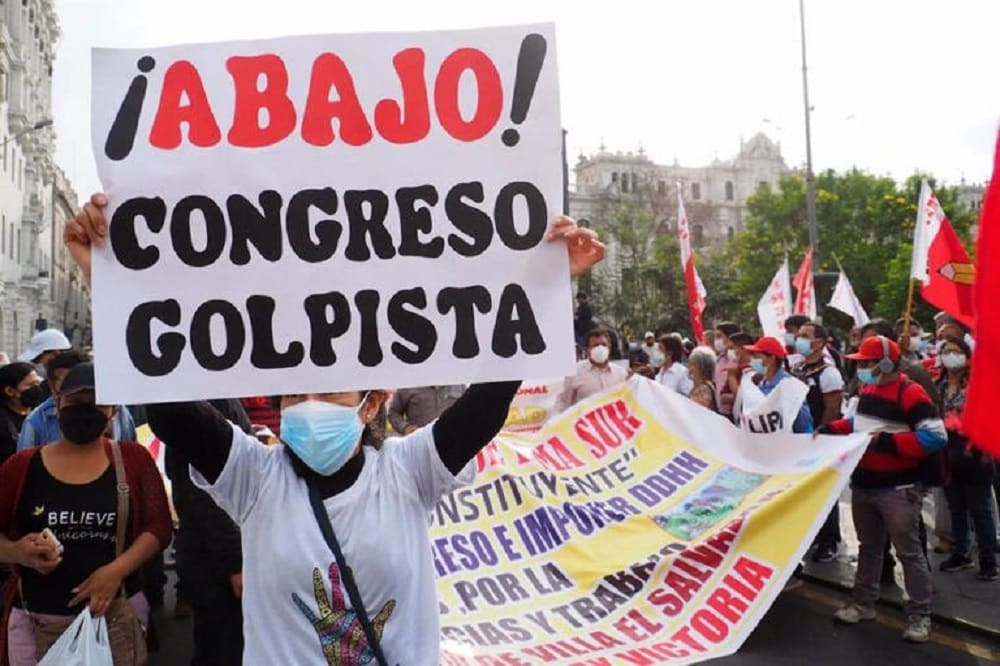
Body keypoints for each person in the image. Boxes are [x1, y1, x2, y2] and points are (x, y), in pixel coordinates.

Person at [65, 193, 604, 664]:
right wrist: (110, 283)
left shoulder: (408, 470)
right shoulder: (255, 478)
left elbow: (485, 406)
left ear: (371, 406)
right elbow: (172, 410)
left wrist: (543, 287)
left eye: (331, 392)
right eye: (296, 394)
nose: (310, 405)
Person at [0, 362, 172, 664]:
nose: (85, 410)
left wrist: (116, 571)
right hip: (37, 622)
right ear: (57, 405)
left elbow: (158, 527)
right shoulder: (21, 467)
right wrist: (19, 552)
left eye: (96, 404)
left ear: (113, 412)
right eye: (75, 402)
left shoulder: (132, 459)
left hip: (115, 618)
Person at [825, 336, 946, 643]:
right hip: (865, 486)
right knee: (869, 547)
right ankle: (863, 603)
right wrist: (830, 429)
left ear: (886, 363)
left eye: (867, 362)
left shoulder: (911, 393)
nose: (862, 367)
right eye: (860, 362)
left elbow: (935, 437)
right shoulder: (868, 389)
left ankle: (920, 616)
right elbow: (858, 425)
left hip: (899, 489)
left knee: (908, 552)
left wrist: (887, 442)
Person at [167, 399, 255, 666]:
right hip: (216, 560)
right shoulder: (212, 402)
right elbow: (204, 492)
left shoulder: (215, 400)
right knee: (223, 647)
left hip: (208, 550)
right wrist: (235, 562)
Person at [935, 337, 997, 580]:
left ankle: (988, 560)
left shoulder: (978, 384)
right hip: (948, 449)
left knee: (980, 510)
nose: (951, 356)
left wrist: (986, 451)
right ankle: (961, 553)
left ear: (967, 356)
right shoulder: (939, 385)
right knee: (956, 507)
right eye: (946, 351)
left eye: (956, 351)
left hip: (975, 450)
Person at [793, 322, 845, 561]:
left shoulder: (829, 373)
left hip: (820, 440)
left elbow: (832, 408)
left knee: (825, 492)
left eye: (805, 336)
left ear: (820, 342)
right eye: (799, 335)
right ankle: (812, 536)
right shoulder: (798, 368)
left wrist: (820, 435)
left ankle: (830, 540)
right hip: (799, 440)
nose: (799, 339)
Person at [17, 349, 137, 452]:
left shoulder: (119, 411)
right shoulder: (36, 421)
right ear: (52, 386)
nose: (78, 386)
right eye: (69, 381)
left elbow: (130, 451)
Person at [740, 337, 813, 434]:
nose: (752, 360)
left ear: (771, 358)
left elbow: (804, 424)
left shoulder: (790, 386)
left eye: (757, 356)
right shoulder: (760, 383)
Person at [555, 328, 628, 413]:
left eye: (604, 345)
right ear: (587, 350)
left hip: (614, 422)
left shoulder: (621, 373)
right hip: (586, 423)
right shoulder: (575, 373)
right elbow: (563, 403)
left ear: (609, 347)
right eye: (595, 345)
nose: (600, 348)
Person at [0, 364, 44, 465]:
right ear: (10, 391)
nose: (37, 388)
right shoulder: (3, 421)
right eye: (31, 385)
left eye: (37, 383)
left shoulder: (44, 413)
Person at [387, 385, 465, 435]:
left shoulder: (459, 384)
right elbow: (394, 412)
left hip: (454, 445)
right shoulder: (408, 384)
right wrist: (405, 427)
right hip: (419, 447)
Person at [712, 323, 742, 418]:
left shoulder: (738, 359)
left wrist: (732, 398)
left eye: (719, 336)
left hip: (736, 412)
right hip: (720, 412)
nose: (717, 340)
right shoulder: (718, 359)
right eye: (715, 337)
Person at [686, 346, 718, 412]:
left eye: (691, 363)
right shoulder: (698, 386)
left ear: (699, 367)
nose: (688, 366)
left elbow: (697, 412)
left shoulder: (703, 390)